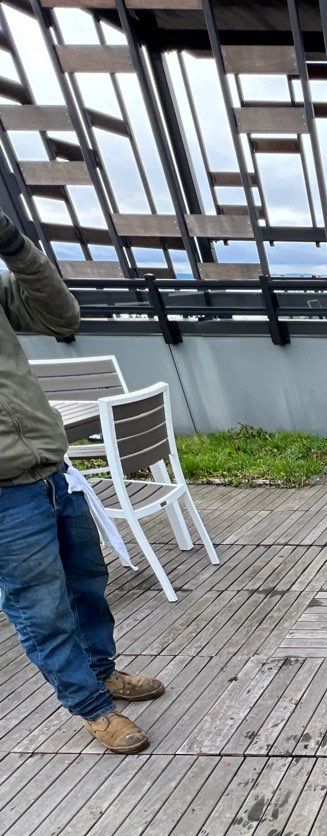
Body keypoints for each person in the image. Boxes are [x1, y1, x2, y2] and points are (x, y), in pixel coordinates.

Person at [0, 209, 163, 755]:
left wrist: (16, 247)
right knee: (40, 608)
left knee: (87, 583)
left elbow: (62, 316)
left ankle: (101, 672)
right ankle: (92, 707)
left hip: (51, 471)